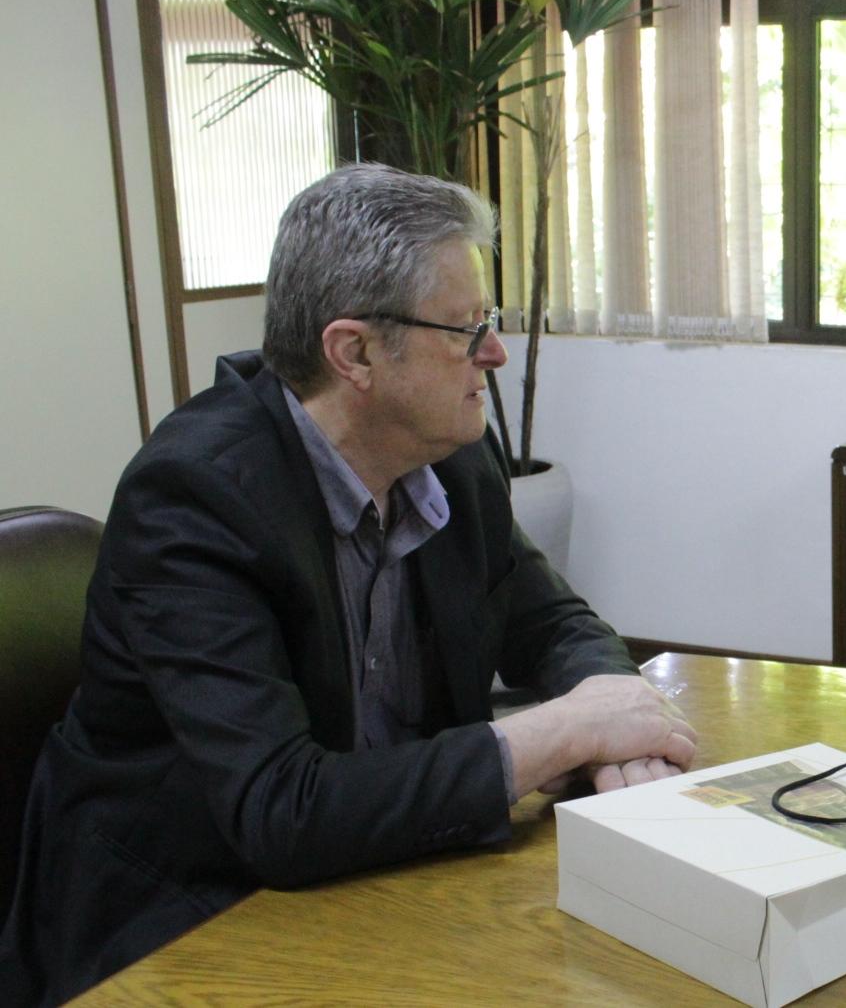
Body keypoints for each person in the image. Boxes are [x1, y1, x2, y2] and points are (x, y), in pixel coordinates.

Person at [0, 164, 697, 1005]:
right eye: (464, 327)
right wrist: (562, 734)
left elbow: (548, 620)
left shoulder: (450, 449)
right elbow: (279, 810)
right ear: (354, 352)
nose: (494, 351)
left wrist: (616, 711)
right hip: (188, 916)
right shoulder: (194, 499)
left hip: (381, 863)